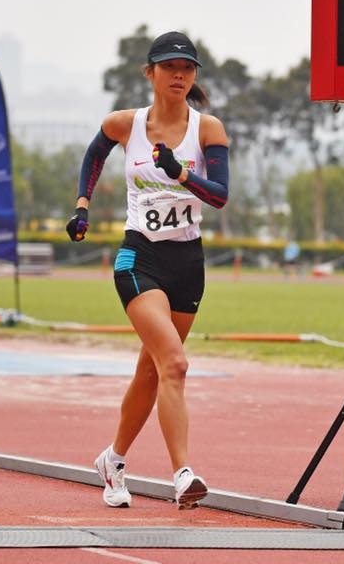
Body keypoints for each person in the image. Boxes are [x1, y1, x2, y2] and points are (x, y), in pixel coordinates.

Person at [67, 31, 230, 510]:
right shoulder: (125, 124)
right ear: (150, 73)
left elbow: (220, 196)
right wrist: (82, 206)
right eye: (169, 67)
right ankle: (183, 475)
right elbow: (95, 155)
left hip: (189, 264)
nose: (179, 75)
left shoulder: (208, 129)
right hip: (140, 259)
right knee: (175, 363)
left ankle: (113, 459)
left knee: (152, 370)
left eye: (187, 68)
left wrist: (181, 172)